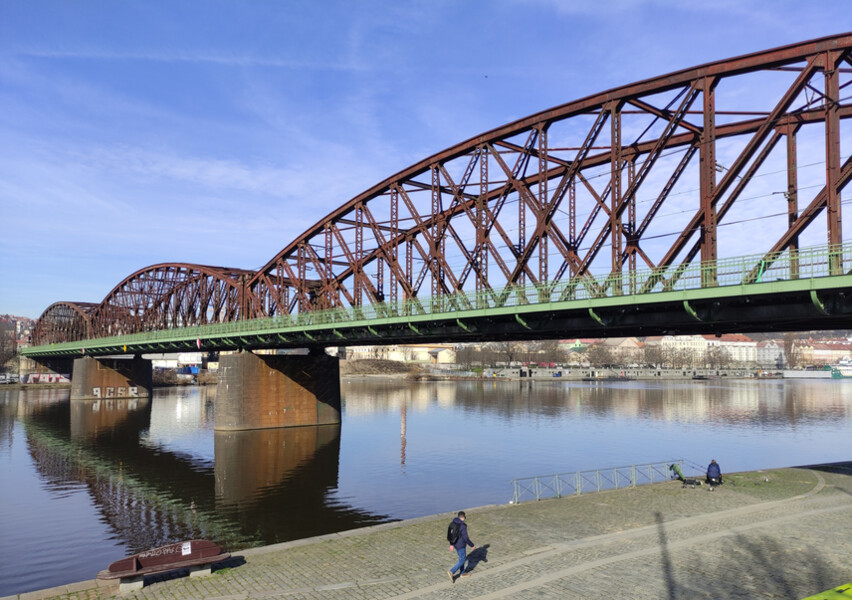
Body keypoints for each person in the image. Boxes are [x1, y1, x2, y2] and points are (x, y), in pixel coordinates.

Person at [447, 511, 476, 582]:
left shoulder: (453, 523)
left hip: (455, 544)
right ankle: (451, 571)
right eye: (465, 517)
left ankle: (462, 573)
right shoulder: (462, 526)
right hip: (461, 545)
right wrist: (472, 545)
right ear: (463, 517)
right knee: (462, 559)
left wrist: (451, 544)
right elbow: (466, 538)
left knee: (461, 558)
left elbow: (451, 535)